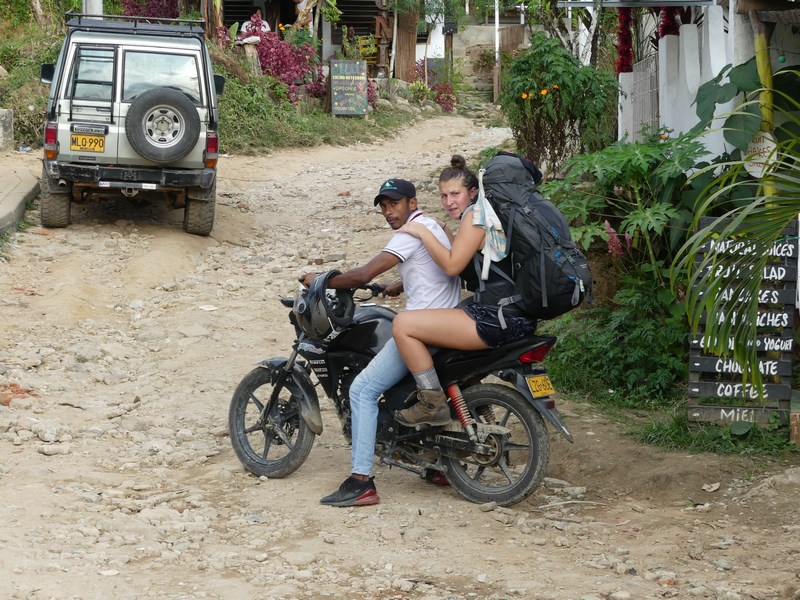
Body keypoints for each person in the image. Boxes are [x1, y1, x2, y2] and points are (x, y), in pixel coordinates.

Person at [300, 178, 460, 507]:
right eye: (384, 207)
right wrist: (400, 284)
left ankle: (361, 481)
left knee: (362, 390)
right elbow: (433, 268)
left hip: (422, 329)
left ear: (412, 203)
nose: (389, 212)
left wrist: (323, 280)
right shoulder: (434, 226)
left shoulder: (408, 234)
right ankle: (437, 464)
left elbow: (362, 275)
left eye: (395, 204)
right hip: (449, 322)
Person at [392, 155, 537, 427]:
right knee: (450, 320)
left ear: (473, 192)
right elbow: (464, 264)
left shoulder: (477, 216)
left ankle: (431, 403)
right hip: (513, 312)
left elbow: (451, 265)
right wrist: (444, 231)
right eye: (444, 195)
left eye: (455, 194)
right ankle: (473, 399)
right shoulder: (487, 214)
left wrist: (422, 232)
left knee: (403, 325)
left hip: (497, 317)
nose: (449, 202)